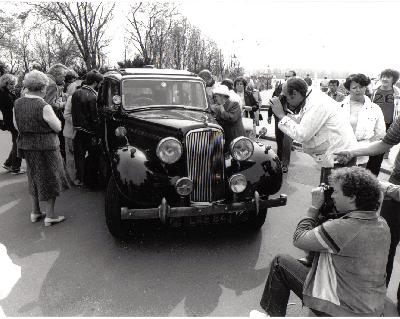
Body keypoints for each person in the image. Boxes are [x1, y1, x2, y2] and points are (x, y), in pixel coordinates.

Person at [250, 167, 389, 317]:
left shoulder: (343, 228)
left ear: (352, 197)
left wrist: (313, 208)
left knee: (280, 263)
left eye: (336, 191)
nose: (333, 196)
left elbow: (299, 239)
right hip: (371, 308)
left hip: (343, 310)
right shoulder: (381, 224)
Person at [335, 114, 400, 314]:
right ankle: (374, 303)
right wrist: (351, 151)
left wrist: (381, 185)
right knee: (384, 248)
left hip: (393, 189)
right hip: (396, 185)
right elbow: (383, 144)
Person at [269, 77, 357, 183]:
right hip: (333, 156)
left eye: (287, 97)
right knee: (324, 193)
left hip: (340, 158)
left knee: (332, 196)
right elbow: (303, 120)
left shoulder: (316, 104)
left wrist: (281, 115)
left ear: (295, 93)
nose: (287, 100)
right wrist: (286, 115)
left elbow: (302, 135)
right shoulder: (311, 97)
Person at [13, 70, 69, 226]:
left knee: (33, 177)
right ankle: (50, 216)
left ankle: (35, 211)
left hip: (27, 146)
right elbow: (57, 127)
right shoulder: (43, 106)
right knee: (50, 178)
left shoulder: (17, 103)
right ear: (43, 88)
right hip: (47, 147)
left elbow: (16, 125)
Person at [340, 74, 386, 173]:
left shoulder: (375, 109)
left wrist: (361, 148)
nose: (358, 90)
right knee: (335, 185)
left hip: (362, 154)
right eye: (354, 87)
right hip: (340, 152)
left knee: (356, 184)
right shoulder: (338, 107)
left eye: (361, 87)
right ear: (348, 89)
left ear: (365, 87)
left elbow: (380, 133)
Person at [71, 69, 104, 188]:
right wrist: (98, 133)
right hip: (90, 131)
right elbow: (94, 117)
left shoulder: (76, 93)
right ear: (95, 82)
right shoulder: (94, 96)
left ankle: (80, 179)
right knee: (93, 156)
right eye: (100, 83)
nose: (100, 85)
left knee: (79, 156)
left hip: (77, 130)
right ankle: (90, 180)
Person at [368, 68, 400, 168]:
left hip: (389, 122)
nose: (384, 79)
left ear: (393, 79)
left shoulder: (397, 92)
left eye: (388, 77)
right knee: (369, 145)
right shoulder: (373, 90)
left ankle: (374, 170)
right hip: (373, 123)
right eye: (383, 76)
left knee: (381, 149)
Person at [267, 71, 296, 173]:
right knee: (279, 139)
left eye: (289, 77)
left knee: (287, 141)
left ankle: (285, 163)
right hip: (278, 117)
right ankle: (278, 160)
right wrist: (269, 115)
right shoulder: (280, 87)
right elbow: (273, 101)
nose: (287, 78)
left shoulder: (297, 89)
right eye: (286, 76)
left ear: (294, 77)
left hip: (290, 117)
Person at [0, 74, 25, 174]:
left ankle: (9, 163)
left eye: (14, 84)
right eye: (11, 84)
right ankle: (15, 167)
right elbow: (12, 107)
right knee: (17, 143)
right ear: (4, 84)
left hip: (10, 121)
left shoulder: (6, 93)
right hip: (11, 122)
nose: (13, 86)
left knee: (16, 142)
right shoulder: (4, 95)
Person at [44, 63, 69, 160]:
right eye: (63, 76)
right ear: (57, 75)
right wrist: (63, 104)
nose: (64, 79)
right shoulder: (52, 84)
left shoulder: (45, 79)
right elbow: (49, 105)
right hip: (51, 119)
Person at [211, 85, 245, 151]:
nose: (214, 99)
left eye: (216, 96)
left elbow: (232, 119)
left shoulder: (235, 104)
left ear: (222, 96)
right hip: (224, 138)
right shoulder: (217, 107)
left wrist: (221, 107)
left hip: (235, 139)